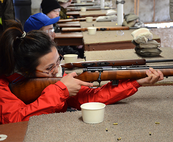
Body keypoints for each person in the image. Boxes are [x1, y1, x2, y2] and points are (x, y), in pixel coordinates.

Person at [0, 20, 164, 124]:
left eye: (58, 60)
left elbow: (90, 98)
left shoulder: (53, 77)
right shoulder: (3, 87)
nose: (57, 70)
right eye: (49, 68)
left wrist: (135, 82)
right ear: (25, 71)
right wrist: (60, 90)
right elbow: (14, 120)